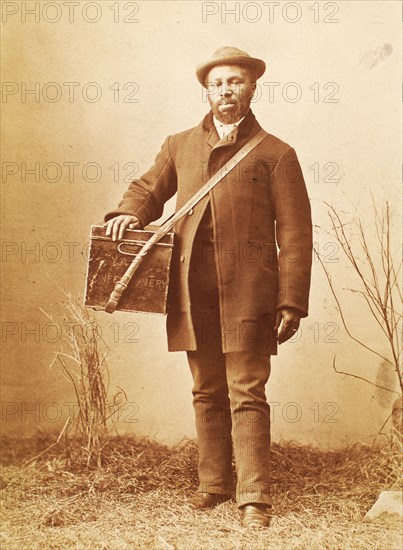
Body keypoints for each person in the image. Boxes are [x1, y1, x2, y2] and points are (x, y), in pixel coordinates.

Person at [104, 47, 313, 528]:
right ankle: (214, 485)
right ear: (206, 90)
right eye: (217, 83)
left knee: (247, 390)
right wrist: (126, 215)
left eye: (236, 82)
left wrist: (291, 301)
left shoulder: (277, 153)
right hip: (192, 290)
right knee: (206, 389)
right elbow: (147, 190)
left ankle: (255, 496)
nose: (226, 91)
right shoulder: (180, 144)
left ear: (253, 88)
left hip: (250, 292)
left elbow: (296, 236)